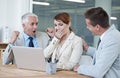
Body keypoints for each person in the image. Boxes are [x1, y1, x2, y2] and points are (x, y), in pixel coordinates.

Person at [73, 7, 120, 78]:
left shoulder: (112, 39)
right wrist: (87, 48)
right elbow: (103, 53)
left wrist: (79, 68)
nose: (87, 28)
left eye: (88, 26)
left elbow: (98, 71)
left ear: (97, 27)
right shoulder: (108, 35)